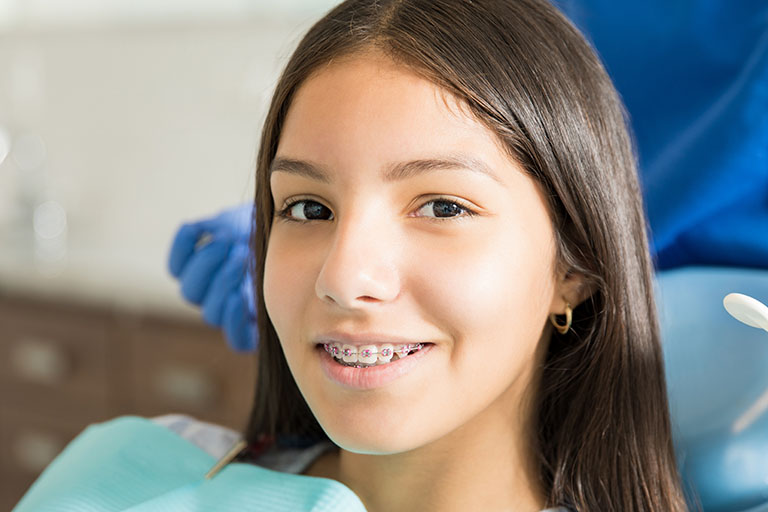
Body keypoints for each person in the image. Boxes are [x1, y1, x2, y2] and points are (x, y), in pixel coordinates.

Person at [16, 0, 687, 511]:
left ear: (573, 270)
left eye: (443, 207)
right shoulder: (130, 472)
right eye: (308, 208)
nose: (343, 276)